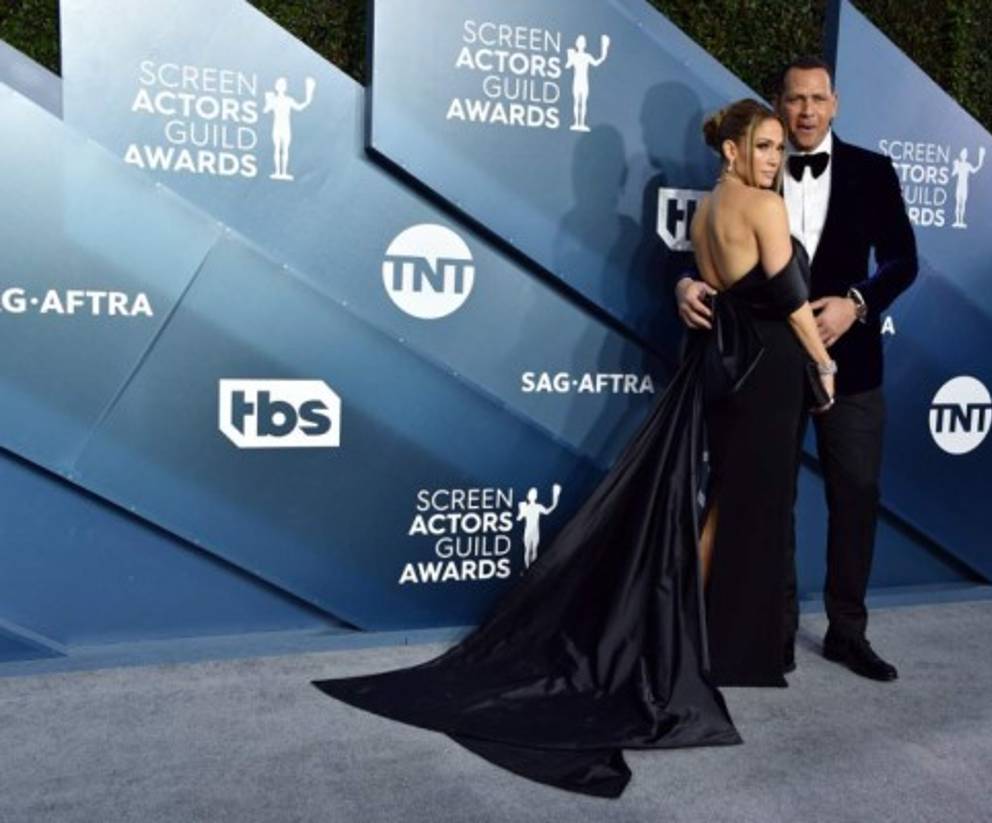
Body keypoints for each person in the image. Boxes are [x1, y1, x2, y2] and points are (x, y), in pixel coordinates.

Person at [314, 99, 835, 798]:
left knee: (726, 503)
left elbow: (712, 283)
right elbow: (796, 299)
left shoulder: (713, 207)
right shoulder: (763, 207)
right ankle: (683, 645)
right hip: (763, 366)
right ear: (734, 151)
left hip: (719, 361)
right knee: (741, 506)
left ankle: (688, 638)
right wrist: (824, 366)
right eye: (765, 146)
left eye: (779, 149)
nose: (776, 159)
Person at [677, 55, 918, 683]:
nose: (806, 111)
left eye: (817, 99)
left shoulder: (872, 171)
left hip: (853, 364)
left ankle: (847, 632)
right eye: (794, 99)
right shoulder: (761, 168)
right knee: (765, 502)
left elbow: (903, 261)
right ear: (778, 106)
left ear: (834, 103)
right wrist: (685, 283)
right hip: (765, 368)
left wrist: (856, 304)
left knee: (855, 497)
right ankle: (770, 636)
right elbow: (728, 256)